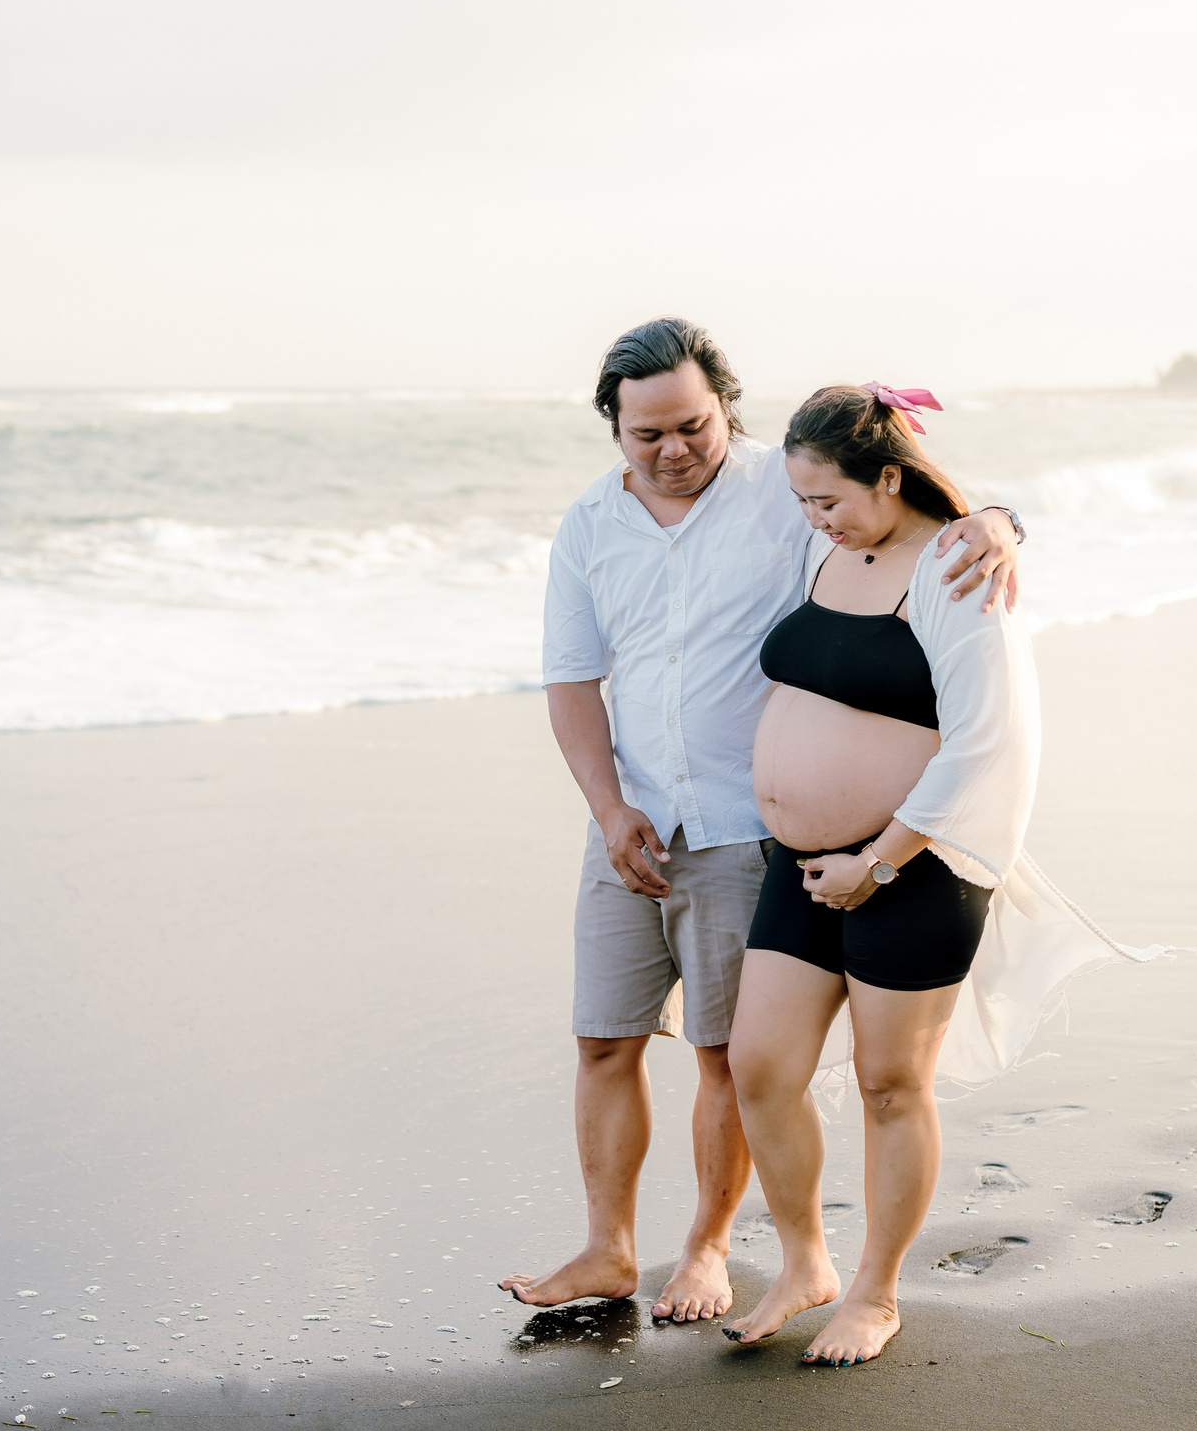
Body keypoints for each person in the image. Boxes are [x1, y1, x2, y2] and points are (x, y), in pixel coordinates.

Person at [497, 320, 1025, 1323]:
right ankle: (611, 1250)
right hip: (633, 821)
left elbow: (899, 508)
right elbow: (571, 680)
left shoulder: (785, 496)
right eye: (646, 433)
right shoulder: (590, 523)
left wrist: (999, 518)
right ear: (613, 426)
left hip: (749, 832)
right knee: (605, 1041)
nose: (672, 449)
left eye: (691, 426)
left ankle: (710, 1249)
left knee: (734, 1058)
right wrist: (608, 808)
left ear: (725, 410)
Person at [718, 383, 1162, 1365]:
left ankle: (874, 1294)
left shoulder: (956, 571)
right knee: (761, 1066)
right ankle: (804, 1264)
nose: (812, 517)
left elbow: (981, 744)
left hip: (914, 869)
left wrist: (876, 863)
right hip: (802, 864)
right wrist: (1001, 511)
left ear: (889, 476)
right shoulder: (822, 547)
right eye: (800, 500)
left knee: (889, 1084)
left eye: (828, 498)